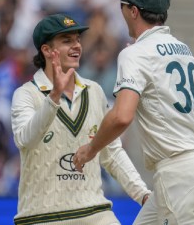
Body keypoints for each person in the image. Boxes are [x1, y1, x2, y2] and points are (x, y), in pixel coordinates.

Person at [72, 0, 194, 225]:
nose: (121, 11)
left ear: (134, 11)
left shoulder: (135, 54)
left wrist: (91, 150)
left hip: (181, 173)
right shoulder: (183, 49)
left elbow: (122, 116)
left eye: (122, 5)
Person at [11, 13, 151, 225]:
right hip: (41, 216)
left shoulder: (94, 91)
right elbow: (25, 139)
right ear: (47, 50)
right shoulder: (25, 94)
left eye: (77, 39)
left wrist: (142, 194)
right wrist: (54, 97)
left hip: (95, 212)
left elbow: (111, 153)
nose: (77, 46)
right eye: (67, 41)